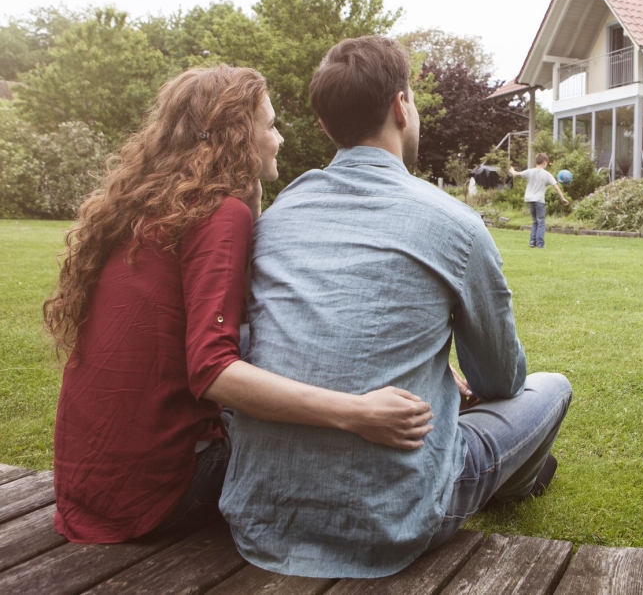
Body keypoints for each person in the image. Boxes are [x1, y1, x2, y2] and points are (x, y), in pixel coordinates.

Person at [220, 36, 572, 579]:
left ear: (323, 125)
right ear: (401, 105)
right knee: (551, 387)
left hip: (261, 517)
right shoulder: (454, 223)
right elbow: (500, 380)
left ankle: (516, 470)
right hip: (399, 518)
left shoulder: (280, 213)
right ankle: (518, 480)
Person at [47, 65, 433, 544]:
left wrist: (251, 201)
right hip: (160, 493)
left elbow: (247, 314)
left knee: (262, 341)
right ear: (236, 137)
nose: (280, 140)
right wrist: (355, 411)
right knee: (317, 427)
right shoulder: (217, 213)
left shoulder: (149, 206)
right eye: (270, 126)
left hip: (89, 487)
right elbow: (213, 372)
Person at [509, 153, 568, 248]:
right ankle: (540, 244)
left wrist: (512, 170)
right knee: (541, 222)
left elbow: (516, 174)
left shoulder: (530, 171)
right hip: (539, 200)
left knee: (535, 221)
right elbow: (556, 187)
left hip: (529, 199)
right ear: (545, 162)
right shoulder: (547, 174)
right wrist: (563, 198)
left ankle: (532, 242)